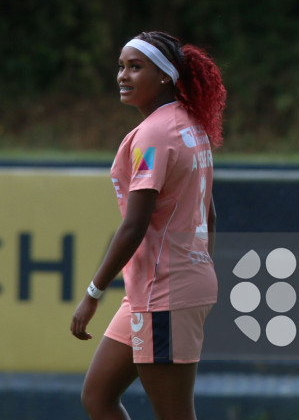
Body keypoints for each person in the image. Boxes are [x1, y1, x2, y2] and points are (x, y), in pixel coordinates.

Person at [70, 31, 226, 420]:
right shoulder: (189, 123)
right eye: (121, 66)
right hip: (157, 289)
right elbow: (210, 215)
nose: (123, 75)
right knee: (98, 396)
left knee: (174, 414)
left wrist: (93, 292)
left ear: (164, 76)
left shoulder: (155, 135)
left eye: (135, 67)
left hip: (165, 293)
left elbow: (134, 225)